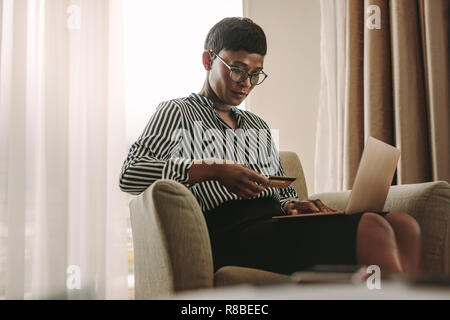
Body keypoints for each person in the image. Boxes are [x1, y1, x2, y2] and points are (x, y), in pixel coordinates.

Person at [119, 17, 422, 276]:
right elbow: (130, 174)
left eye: (255, 73)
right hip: (230, 232)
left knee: (403, 224)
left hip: (274, 224)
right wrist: (214, 170)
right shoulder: (176, 112)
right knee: (371, 226)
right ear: (208, 60)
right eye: (237, 69)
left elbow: (283, 195)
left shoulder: (257, 125)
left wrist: (294, 205)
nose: (246, 82)